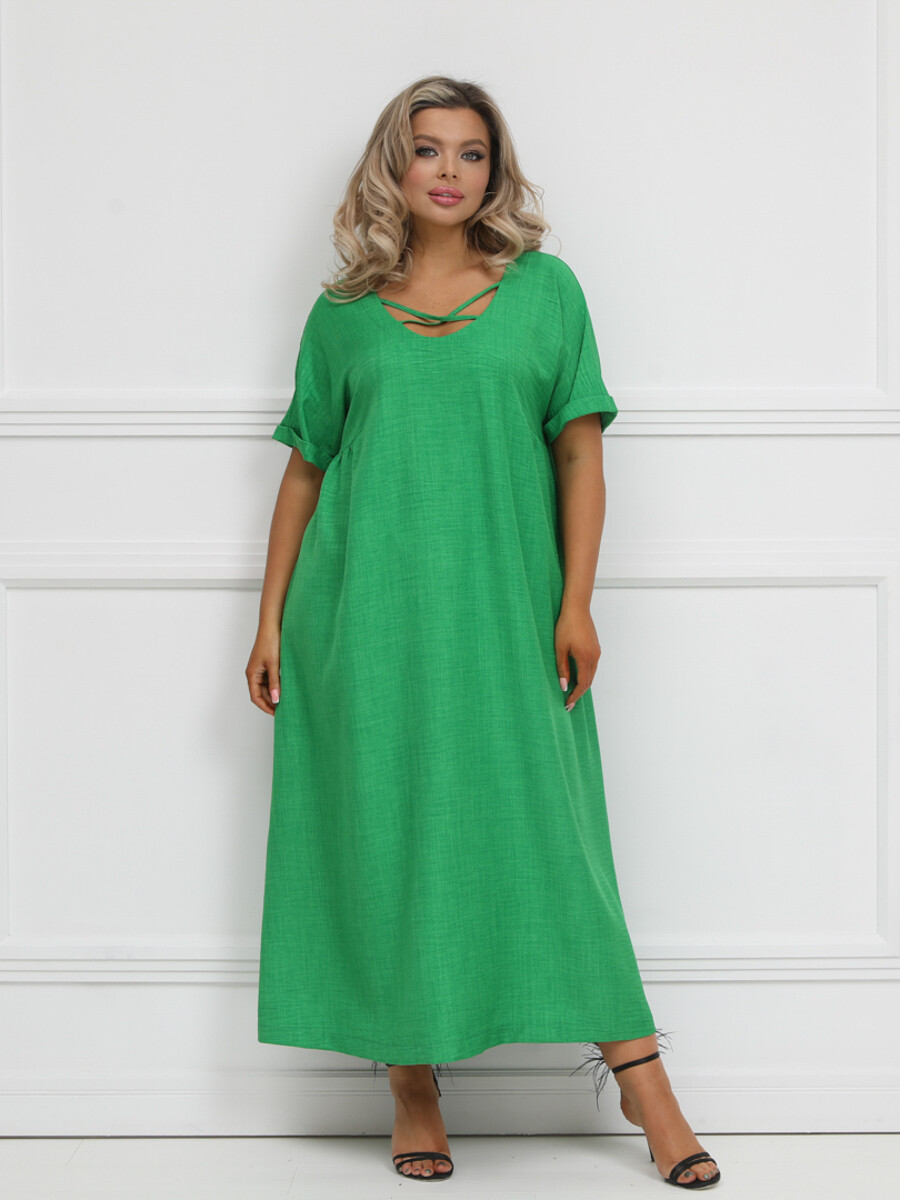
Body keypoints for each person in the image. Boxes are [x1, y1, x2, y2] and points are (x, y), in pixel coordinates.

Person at [247, 75, 720, 1190]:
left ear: (494, 172)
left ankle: (645, 1084)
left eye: (472, 153)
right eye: (429, 150)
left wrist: (576, 602)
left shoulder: (546, 293)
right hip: (362, 620)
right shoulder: (343, 313)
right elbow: (306, 470)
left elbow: (581, 449)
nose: (450, 171)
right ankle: (412, 1082)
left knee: (555, 836)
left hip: (508, 610)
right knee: (388, 830)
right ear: (395, 167)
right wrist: (269, 622)